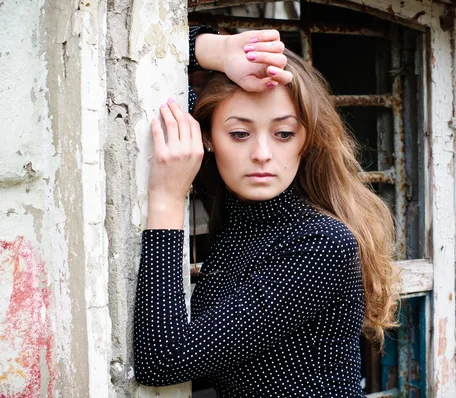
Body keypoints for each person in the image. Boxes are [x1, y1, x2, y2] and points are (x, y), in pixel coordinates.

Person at [134, 27, 398, 397]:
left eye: (284, 134)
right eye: (240, 134)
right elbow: (152, 53)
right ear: (207, 138)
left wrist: (165, 198)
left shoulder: (321, 246)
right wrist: (222, 50)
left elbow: (162, 361)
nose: (262, 153)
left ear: (307, 140)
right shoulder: (238, 213)